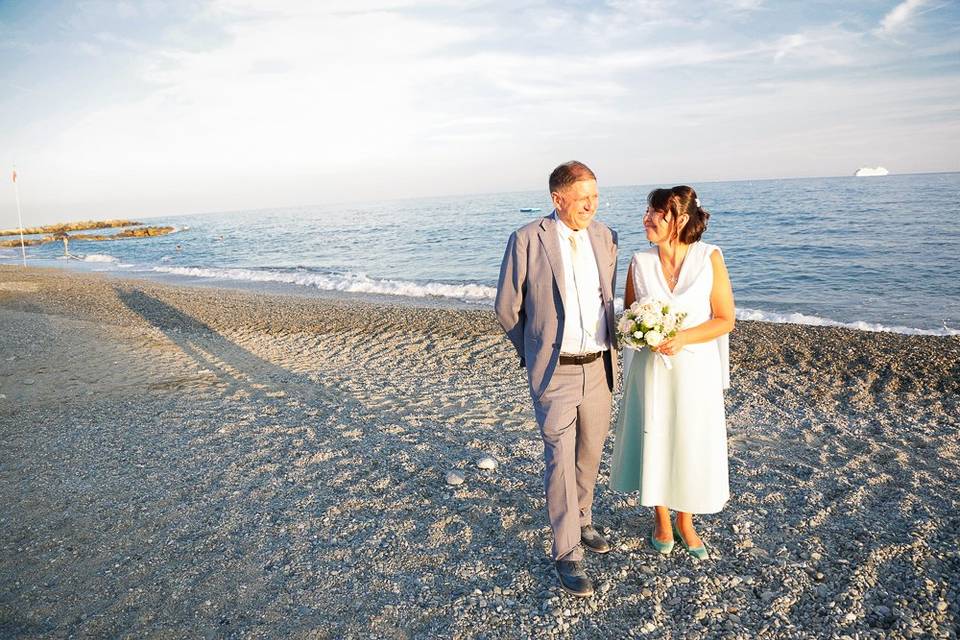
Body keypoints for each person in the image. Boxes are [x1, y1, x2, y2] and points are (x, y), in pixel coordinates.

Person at [495, 161, 619, 597]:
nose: (591, 205)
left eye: (596, 196)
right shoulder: (528, 239)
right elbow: (507, 308)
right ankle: (567, 553)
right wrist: (534, 354)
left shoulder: (606, 237)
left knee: (589, 454)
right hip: (556, 371)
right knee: (560, 461)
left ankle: (583, 520)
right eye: (583, 197)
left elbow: (607, 298)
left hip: (600, 367)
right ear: (558, 199)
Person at [609, 185, 734, 560]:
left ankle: (686, 519)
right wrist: (643, 333)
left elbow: (725, 320)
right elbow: (629, 317)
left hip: (695, 367)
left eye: (655, 213)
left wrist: (682, 337)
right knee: (656, 434)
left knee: (690, 438)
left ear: (679, 219)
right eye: (647, 211)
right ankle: (661, 517)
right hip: (652, 369)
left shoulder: (709, 257)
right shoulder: (639, 262)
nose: (646, 218)